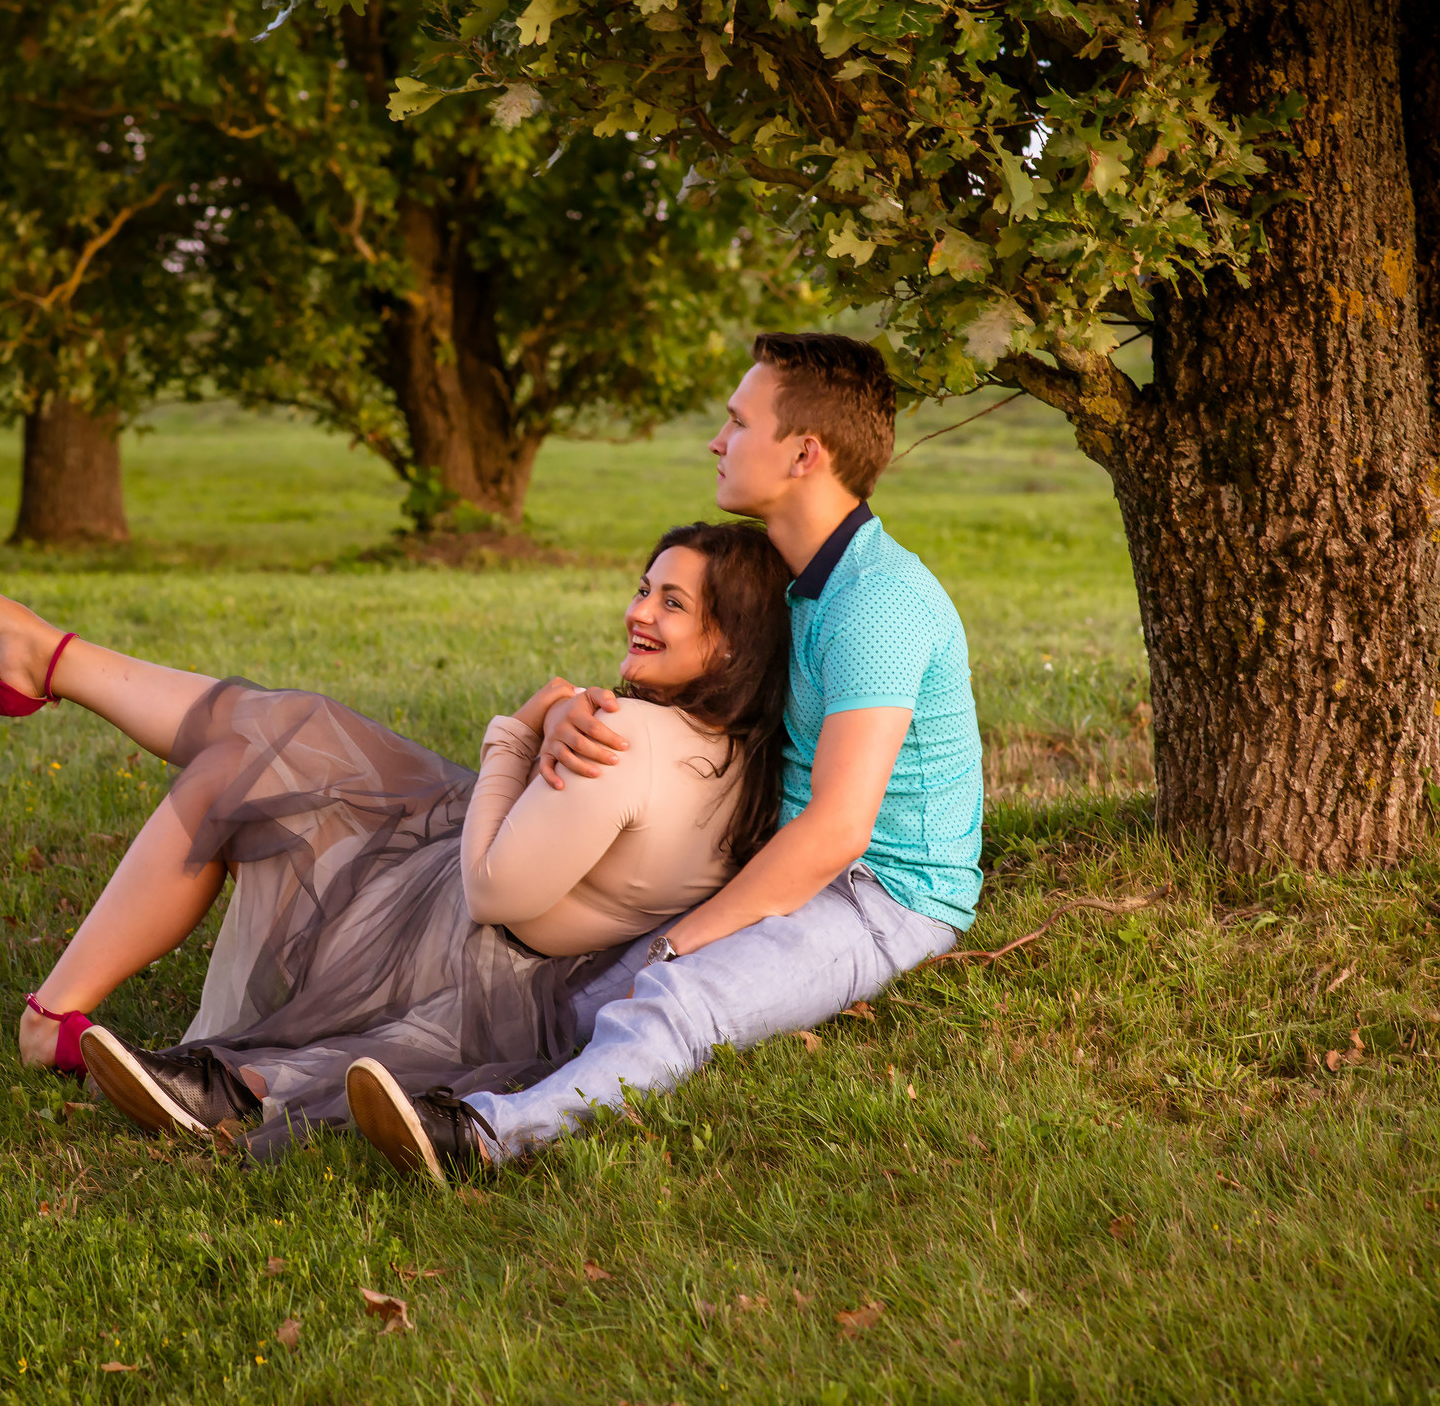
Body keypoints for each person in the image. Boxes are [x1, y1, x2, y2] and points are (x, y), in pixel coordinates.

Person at [0, 522, 796, 1155]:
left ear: (728, 648)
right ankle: (48, 660)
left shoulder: (625, 739)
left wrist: (516, 729)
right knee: (290, 731)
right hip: (519, 933)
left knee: (244, 765)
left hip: (454, 926)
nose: (638, 611)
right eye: (644, 587)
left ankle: (53, 1014)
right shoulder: (753, 764)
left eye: (671, 602)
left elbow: (492, 889)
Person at [342, 332, 983, 1184]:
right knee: (576, 1002)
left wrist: (684, 942)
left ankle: (488, 1137)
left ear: (803, 452)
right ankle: (344, 1077)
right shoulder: (800, 583)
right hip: (784, 857)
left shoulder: (878, 601)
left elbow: (838, 831)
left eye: (736, 422)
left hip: (882, 895)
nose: (718, 442)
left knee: (675, 995)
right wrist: (571, 709)